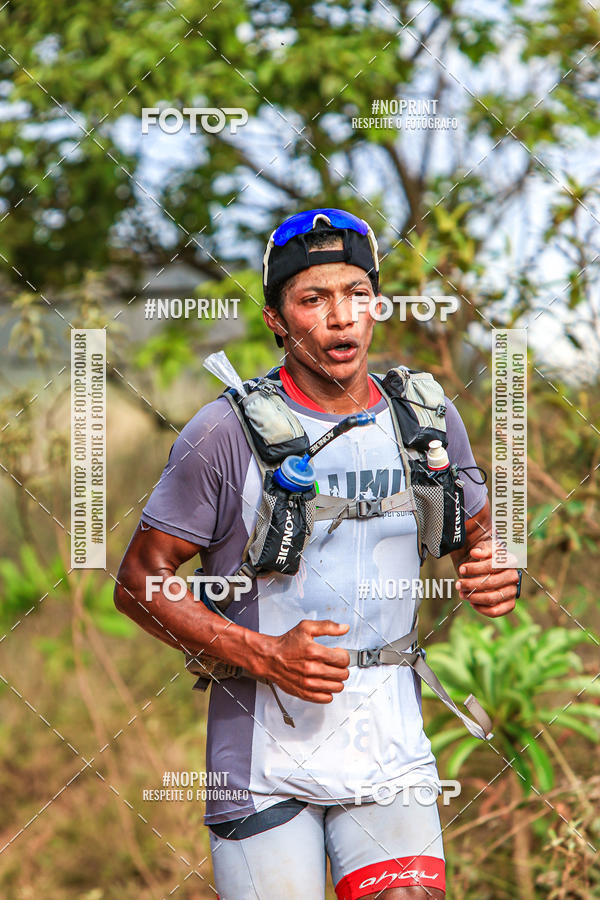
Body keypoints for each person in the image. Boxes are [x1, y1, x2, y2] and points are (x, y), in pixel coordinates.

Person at [115, 208, 520, 899]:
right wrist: (265, 653)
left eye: (356, 294)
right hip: (262, 759)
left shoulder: (424, 417)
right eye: (313, 299)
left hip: (389, 746)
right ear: (277, 319)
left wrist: (493, 573)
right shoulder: (225, 431)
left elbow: (484, 543)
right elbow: (138, 581)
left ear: (377, 303)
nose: (340, 317)